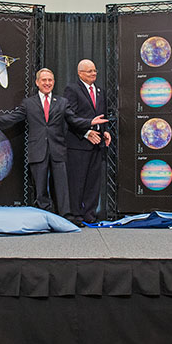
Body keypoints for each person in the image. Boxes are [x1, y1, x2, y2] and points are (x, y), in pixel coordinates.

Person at [0, 68, 106, 216]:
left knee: (62, 186)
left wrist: (90, 121)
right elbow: (13, 117)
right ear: (37, 82)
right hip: (38, 150)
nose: (47, 83)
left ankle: (65, 215)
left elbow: (74, 119)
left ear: (54, 82)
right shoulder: (28, 103)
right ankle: (43, 215)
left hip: (58, 150)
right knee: (40, 186)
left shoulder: (62, 102)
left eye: (50, 80)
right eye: (44, 80)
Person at [64, 59, 112, 223]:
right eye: (89, 71)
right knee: (77, 181)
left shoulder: (100, 91)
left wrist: (105, 132)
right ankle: (76, 214)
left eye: (94, 70)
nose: (93, 74)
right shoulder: (72, 89)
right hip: (78, 144)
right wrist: (86, 132)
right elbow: (70, 117)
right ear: (80, 73)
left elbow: (102, 117)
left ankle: (89, 214)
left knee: (93, 181)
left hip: (97, 144)